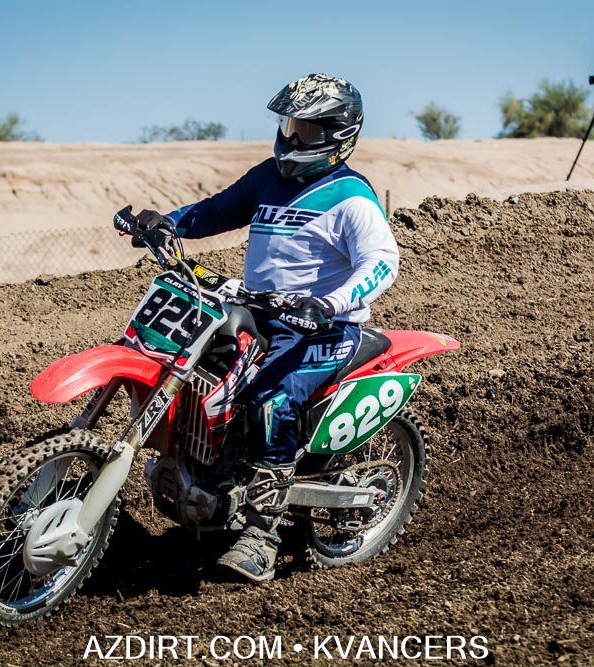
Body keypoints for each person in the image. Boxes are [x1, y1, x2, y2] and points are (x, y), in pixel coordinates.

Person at [131, 73, 399, 582]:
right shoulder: (269, 177)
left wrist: (328, 303)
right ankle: (207, 472)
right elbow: (217, 211)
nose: (292, 139)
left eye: (306, 130)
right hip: (261, 314)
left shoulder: (351, 197)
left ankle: (261, 536)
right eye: (289, 126)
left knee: (271, 401)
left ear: (339, 134)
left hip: (322, 329)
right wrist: (168, 222)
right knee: (193, 368)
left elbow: (382, 263)